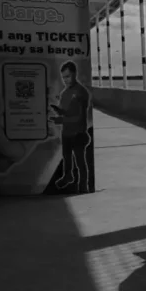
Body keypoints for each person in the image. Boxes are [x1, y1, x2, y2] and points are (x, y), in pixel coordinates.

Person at [52, 60, 92, 193]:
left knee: (80, 161)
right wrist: (58, 111)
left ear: (75, 74)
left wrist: (61, 119)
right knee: (67, 157)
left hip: (78, 133)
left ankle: (83, 186)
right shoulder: (64, 93)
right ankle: (67, 176)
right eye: (63, 77)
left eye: (68, 76)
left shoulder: (81, 92)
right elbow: (67, 112)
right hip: (67, 133)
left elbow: (79, 117)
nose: (65, 80)